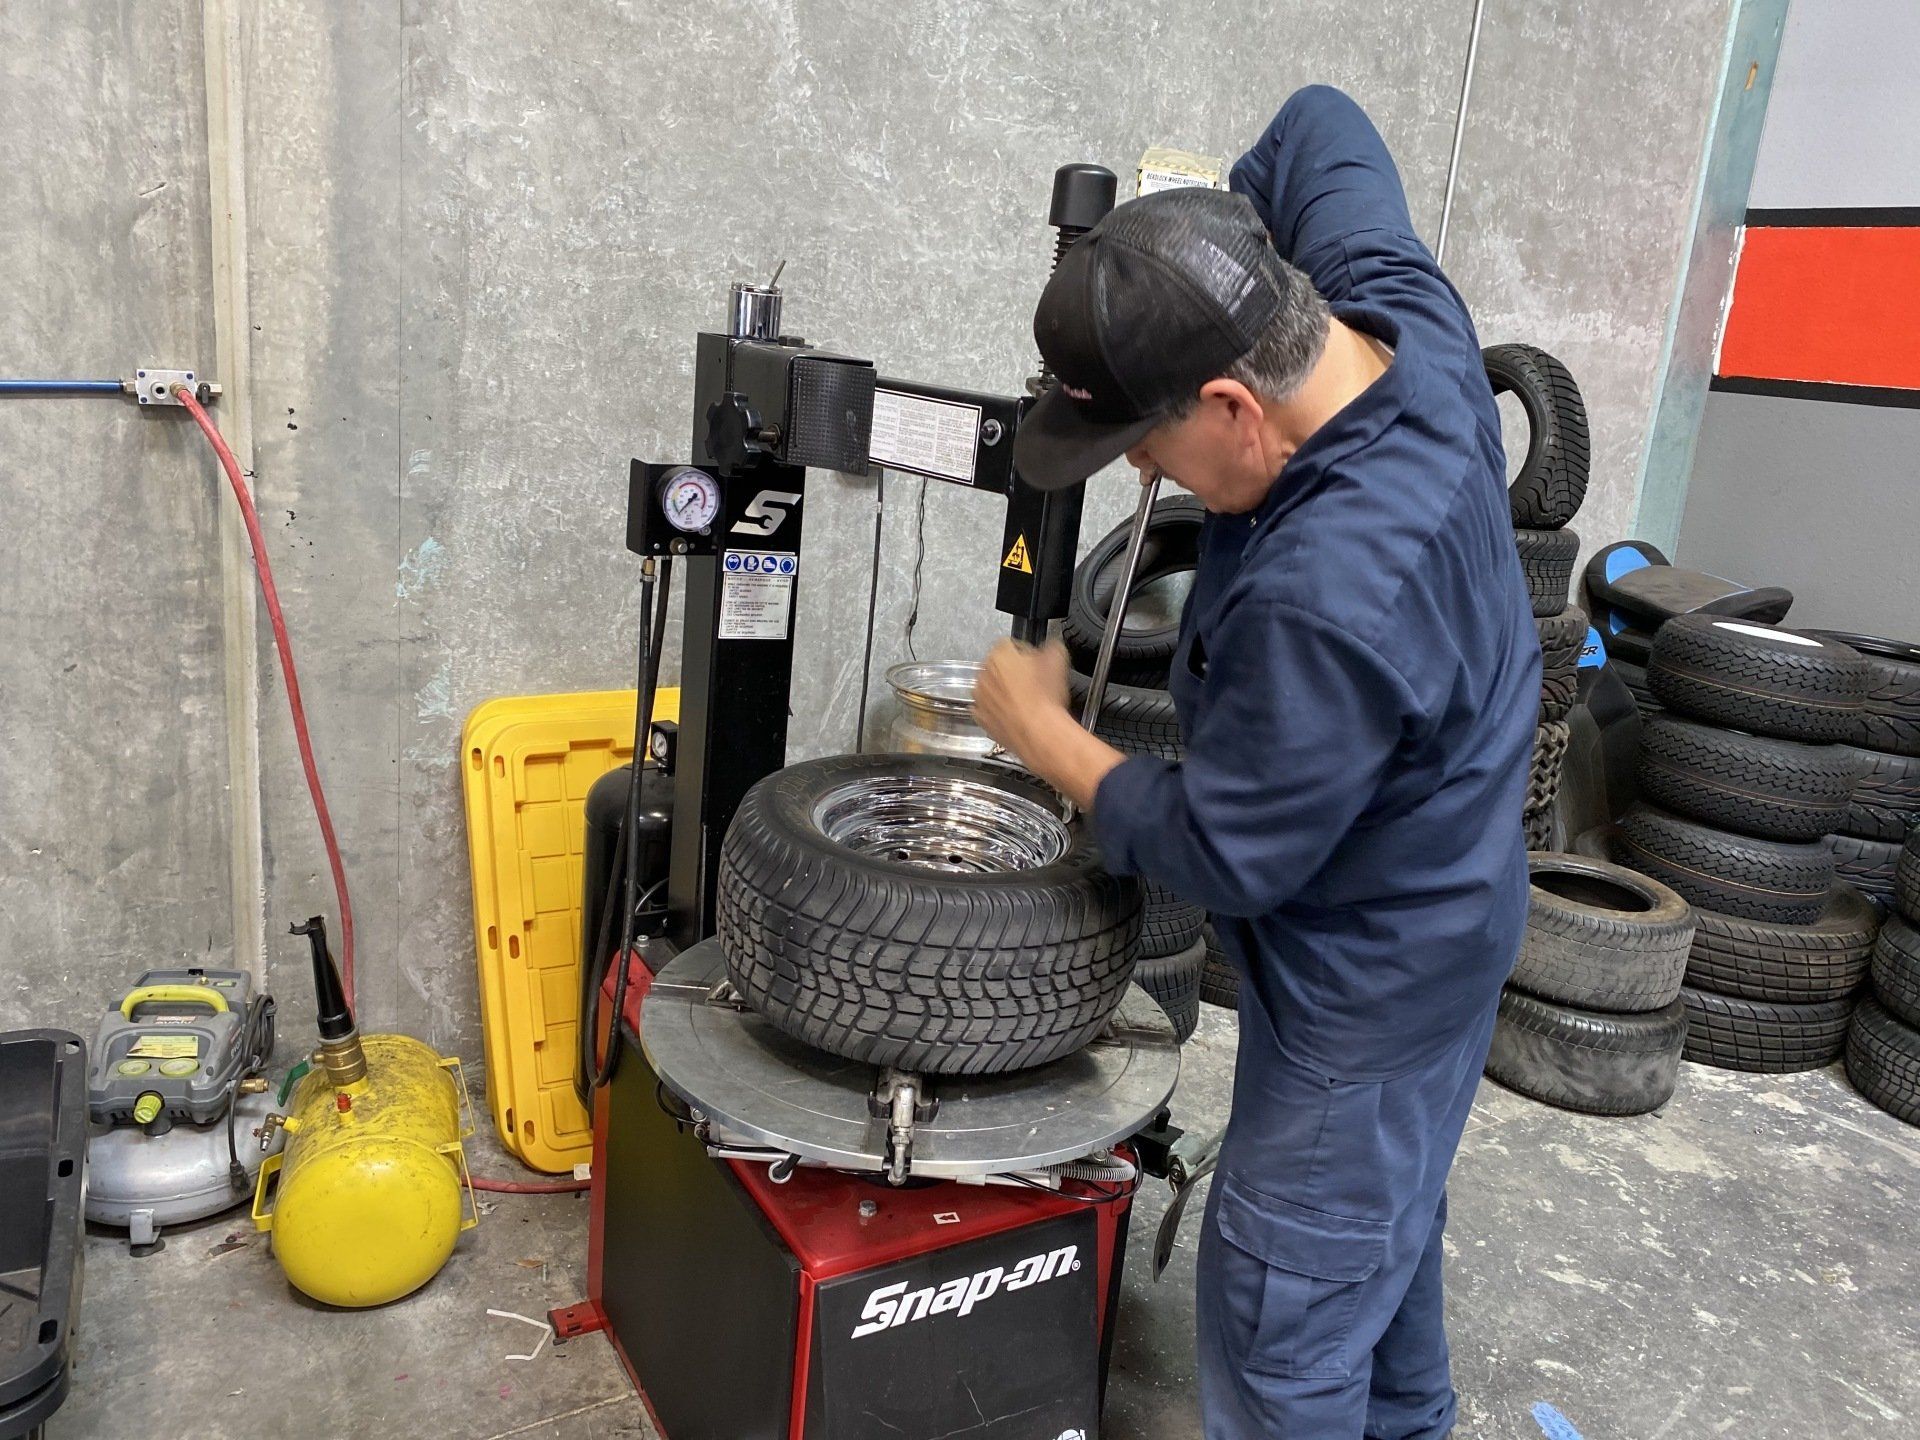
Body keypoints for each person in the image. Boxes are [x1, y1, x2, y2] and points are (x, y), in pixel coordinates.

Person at [972, 87, 1539, 1439]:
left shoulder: (1327, 597)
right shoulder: (1390, 315)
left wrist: (1053, 739)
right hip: (1457, 903)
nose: (1136, 482)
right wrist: (1184, 246)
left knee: (1286, 1314)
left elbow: (1231, 849)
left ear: (1235, 406)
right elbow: (1316, 124)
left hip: (1367, 979)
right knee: (1378, 1249)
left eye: (1146, 451)